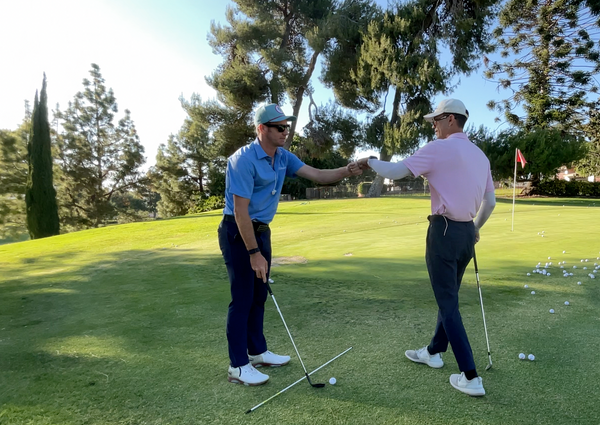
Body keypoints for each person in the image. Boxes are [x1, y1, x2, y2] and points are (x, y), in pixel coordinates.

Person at [351, 98, 496, 396]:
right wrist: (475, 229)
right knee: (449, 297)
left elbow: (395, 171)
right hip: (468, 232)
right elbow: (490, 202)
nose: (434, 124)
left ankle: (470, 376)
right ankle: (432, 351)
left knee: (448, 303)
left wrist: (369, 162)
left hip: (443, 232)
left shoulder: (438, 148)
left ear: (451, 120)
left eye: (437, 119)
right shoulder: (481, 156)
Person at [219, 103, 361, 386]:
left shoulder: (282, 157)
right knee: (243, 298)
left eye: (287, 127)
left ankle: (257, 352)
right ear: (262, 129)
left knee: (259, 295)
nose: (286, 131)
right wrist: (253, 253)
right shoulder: (242, 160)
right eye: (279, 127)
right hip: (238, 232)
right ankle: (237, 365)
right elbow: (240, 211)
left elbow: (319, 175)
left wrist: (347, 170)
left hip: (262, 231)